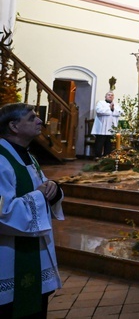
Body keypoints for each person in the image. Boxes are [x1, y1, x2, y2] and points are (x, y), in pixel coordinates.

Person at [0, 103, 64, 318]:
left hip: (33, 252)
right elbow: (3, 212)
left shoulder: (28, 157)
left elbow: (43, 189)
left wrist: (53, 190)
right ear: (14, 126)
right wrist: (39, 195)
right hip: (8, 253)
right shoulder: (1, 160)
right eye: (31, 118)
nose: (39, 121)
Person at [91, 91, 122, 157]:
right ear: (105, 96)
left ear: (113, 97)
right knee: (99, 144)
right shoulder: (100, 103)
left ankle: (107, 158)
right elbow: (99, 111)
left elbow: (120, 113)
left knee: (108, 146)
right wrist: (110, 109)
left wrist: (113, 109)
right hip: (101, 128)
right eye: (108, 95)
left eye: (112, 95)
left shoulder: (116, 104)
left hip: (111, 129)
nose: (110, 96)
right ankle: (97, 157)